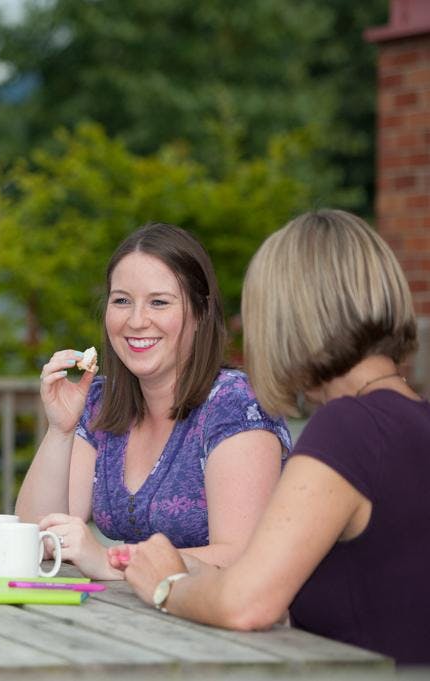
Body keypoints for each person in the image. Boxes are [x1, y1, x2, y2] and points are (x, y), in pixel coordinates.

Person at [116, 209, 430, 665]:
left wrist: (168, 586)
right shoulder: (413, 420)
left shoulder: (348, 427)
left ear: (289, 320)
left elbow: (247, 603)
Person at [15, 223, 290, 579]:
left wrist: (112, 563)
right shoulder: (100, 401)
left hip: (222, 626)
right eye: (122, 301)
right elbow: (36, 537)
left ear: (200, 312)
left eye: (158, 302)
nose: (136, 320)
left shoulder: (236, 406)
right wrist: (60, 430)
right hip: (133, 620)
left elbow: (242, 555)